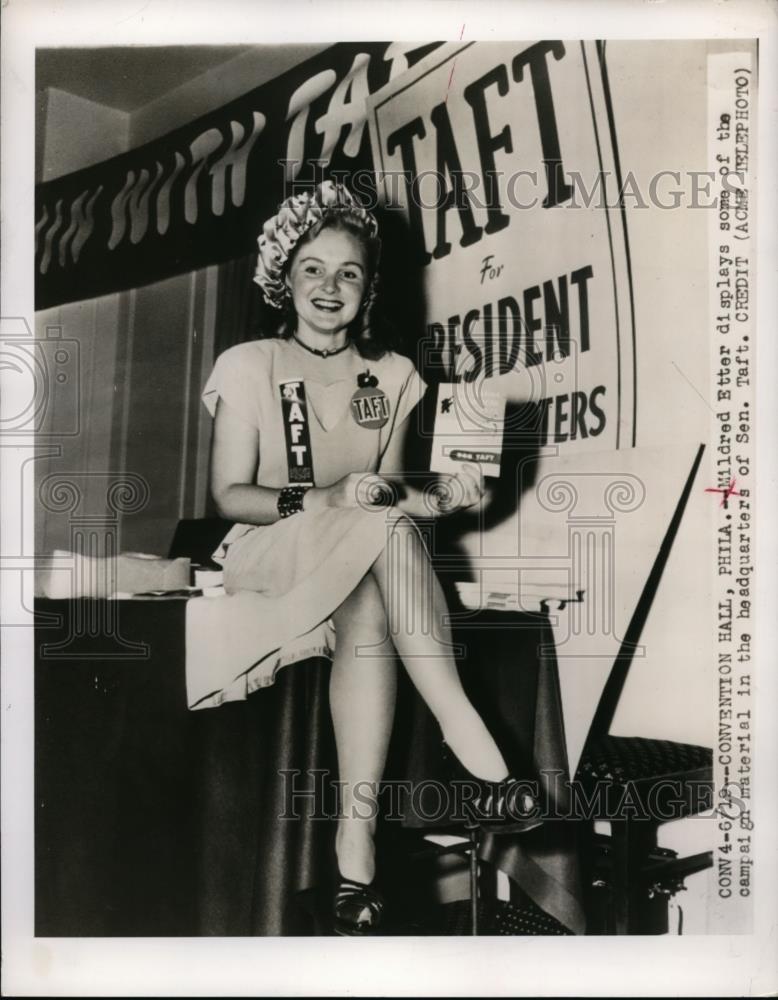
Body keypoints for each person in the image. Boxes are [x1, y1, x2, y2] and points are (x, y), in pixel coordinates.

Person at [202, 181, 541, 936]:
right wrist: (323, 497)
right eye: (313, 269)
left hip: (358, 555)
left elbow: (387, 498)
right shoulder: (248, 362)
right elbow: (230, 495)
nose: (330, 287)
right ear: (283, 278)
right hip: (271, 545)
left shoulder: (393, 376)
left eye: (348, 272)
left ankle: (354, 856)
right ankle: (473, 749)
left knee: (372, 586)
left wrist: (449, 497)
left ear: (368, 287)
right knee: (376, 539)